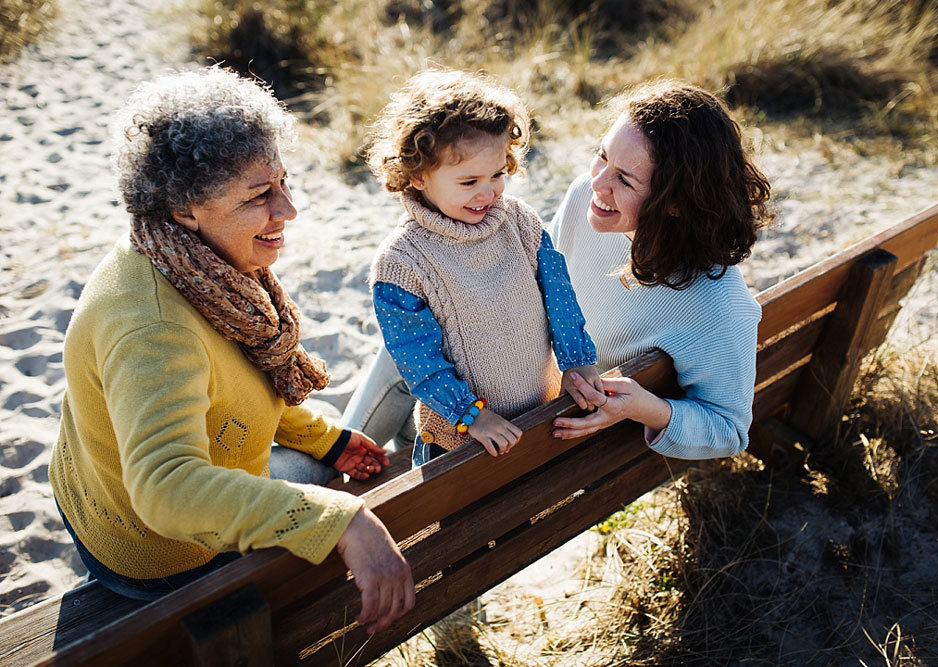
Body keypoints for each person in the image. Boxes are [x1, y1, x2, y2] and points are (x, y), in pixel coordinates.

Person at [48, 67, 414, 632]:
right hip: (156, 550)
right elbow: (166, 488)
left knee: (320, 454)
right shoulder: (152, 326)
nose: (288, 209)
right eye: (259, 196)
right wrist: (343, 523)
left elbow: (231, 386)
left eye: (284, 183)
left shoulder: (197, 266)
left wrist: (327, 438)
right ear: (184, 208)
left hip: (101, 482)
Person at [343, 79, 771, 460]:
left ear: (675, 201)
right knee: (411, 350)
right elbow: (541, 285)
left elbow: (729, 431)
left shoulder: (719, 308)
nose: (597, 184)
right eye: (602, 156)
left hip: (546, 418)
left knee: (407, 368)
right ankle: (343, 459)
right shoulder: (589, 199)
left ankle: (340, 468)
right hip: (503, 376)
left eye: (624, 180)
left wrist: (645, 408)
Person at [363, 69, 604, 467]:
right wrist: (470, 414)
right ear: (418, 176)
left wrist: (577, 360)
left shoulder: (521, 223)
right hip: (459, 438)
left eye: (497, 174)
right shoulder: (402, 264)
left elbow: (560, 298)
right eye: (469, 180)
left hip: (538, 409)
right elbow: (417, 359)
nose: (488, 192)